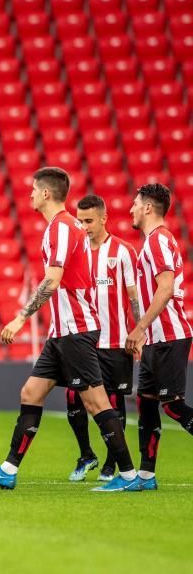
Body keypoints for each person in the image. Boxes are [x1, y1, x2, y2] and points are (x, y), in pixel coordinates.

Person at [0, 167, 139, 492]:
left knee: (96, 403)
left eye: (33, 189)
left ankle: (129, 476)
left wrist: (20, 318)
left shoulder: (61, 227)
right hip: (62, 332)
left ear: (46, 193)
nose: (30, 194)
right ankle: (7, 470)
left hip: (75, 330)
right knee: (30, 393)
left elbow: (53, 279)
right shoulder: (67, 227)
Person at [67, 195, 140, 483]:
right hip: (84, 340)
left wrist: (139, 330)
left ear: (103, 219)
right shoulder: (76, 251)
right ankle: (86, 453)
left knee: (113, 400)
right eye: (80, 221)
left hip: (115, 340)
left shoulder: (122, 251)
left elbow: (133, 297)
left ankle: (112, 463)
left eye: (89, 221)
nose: (83, 227)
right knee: (73, 395)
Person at [125, 183, 193, 490]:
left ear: (148, 208)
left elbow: (165, 289)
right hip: (155, 339)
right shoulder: (152, 242)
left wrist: (138, 328)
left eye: (136, 204)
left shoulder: (159, 241)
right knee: (147, 404)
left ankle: (145, 476)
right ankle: (146, 476)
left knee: (172, 405)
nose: (132, 209)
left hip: (170, 336)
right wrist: (144, 332)